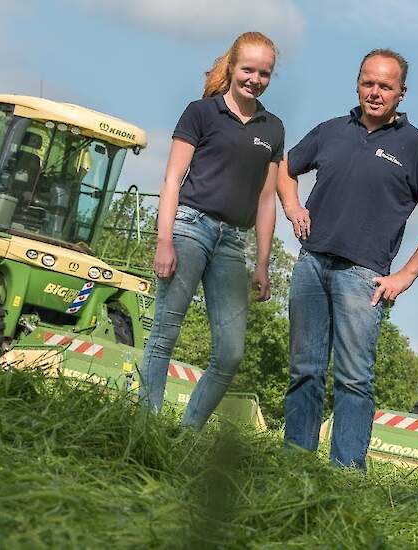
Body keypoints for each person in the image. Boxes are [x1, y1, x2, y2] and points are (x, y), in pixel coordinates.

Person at [277, 49, 418, 469]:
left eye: (385, 86)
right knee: (305, 370)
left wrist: (407, 275)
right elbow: (285, 168)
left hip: (363, 278)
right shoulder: (331, 130)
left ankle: (346, 473)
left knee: (353, 379)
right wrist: (293, 207)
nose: (375, 92)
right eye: (368, 83)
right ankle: (294, 461)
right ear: (358, 83)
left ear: (401, 93)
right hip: (311, 264)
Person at [138, 32, 284, 429]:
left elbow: (266, 199)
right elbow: (172, 178)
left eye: (264, 73)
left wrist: (263, 263)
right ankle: (147, 425)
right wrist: (164, 239)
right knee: (165, 332)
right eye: (248, 70)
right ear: (233, 67)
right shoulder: (200, 113)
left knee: (232, 353)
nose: (255, 79)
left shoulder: (272, 129)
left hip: (233, 244)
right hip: (190, 229)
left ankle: (188, 432)